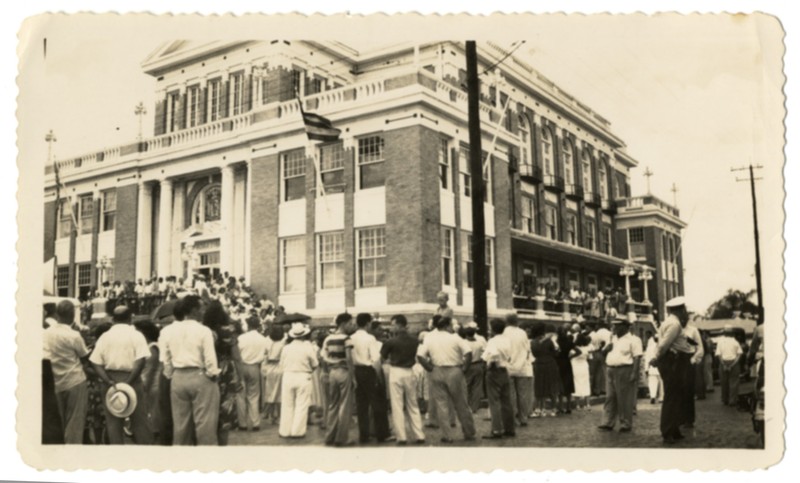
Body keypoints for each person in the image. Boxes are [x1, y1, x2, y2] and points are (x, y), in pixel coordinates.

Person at [161, 295, 221, 445]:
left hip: (178, 377)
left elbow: (165, 359)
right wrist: (212, 373)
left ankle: (181, 459)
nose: (204, 311)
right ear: (194, 310)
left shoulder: (167, 331)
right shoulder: (203, 330)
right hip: (199, 375)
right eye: (202, 308)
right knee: (205, 423)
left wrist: (170, 374)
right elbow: (210, 358)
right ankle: (206, 459)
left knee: (180, 424)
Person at [89, 306, 154, 444]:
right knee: (140, 421)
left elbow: (95, 362)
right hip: (132, 379)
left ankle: (117, 457)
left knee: (113, 422)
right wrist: (128, 382)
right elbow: (140, 361)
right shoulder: (136, 335)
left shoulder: (105, 337)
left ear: (113, 319)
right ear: (130, 318)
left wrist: (107, 380)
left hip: (110, 380)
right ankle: (147, 455)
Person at [416, 316, 476, 443]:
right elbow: (468, 353)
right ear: (448, 326)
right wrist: (464, 368)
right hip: (455, 370)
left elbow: (420, 356)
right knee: (461, 403)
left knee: (441, 404)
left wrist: (429, 368)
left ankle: (447, 435)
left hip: (436, 370)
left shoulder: (430, 338)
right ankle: (468, 432)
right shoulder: (455, 337)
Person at [43, 300, 90, 444]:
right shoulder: (74, 335)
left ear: (57, 314)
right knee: (74, 423)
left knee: (60, 422)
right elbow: (84, 358)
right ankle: (71, 456)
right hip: (75, 380)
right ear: (73, 315)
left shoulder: (46, 333)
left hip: (56, 381)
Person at [653, 296, 695, 444]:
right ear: (679, 310)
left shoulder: (668, 322)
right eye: (683, 309)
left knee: (676, 396)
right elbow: (664, 345)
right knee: (672, 397)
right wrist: (657, 357)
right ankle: (667, 431)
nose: (685, 312)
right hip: (673, 362)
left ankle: (674, 429)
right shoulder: (675, 324)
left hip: (673, 361)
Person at [380, 314, 426, 445]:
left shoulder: (390, 342)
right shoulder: (414, 340)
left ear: (399, 325)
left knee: (397, 405)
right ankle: (419, 434)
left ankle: (402, 436)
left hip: (396, 371)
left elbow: (382, 357)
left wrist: (389, 359)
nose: (391, 327)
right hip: (409, 371)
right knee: (413, 403)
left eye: (393, 324)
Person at [203, 299, 242, 445]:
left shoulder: (204, 330)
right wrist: (241, 377)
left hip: (208, 371)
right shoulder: (228, 331)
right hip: (226, 372)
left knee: (207, 411)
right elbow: (237, 356)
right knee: (226, 412)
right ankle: (222, 446)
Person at [350, 313, 392, 443]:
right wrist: (379, 377)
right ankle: (382, 434)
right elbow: (376, 359)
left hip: (357, 370)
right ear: (368, 323)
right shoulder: (369, 339)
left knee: (361, 404)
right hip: (369, 371)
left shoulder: (351, 337)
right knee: (377, 403)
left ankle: (364, 435)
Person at [598, 318, 642, 432]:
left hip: (624, 369)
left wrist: (634, 373)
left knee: (624, 398)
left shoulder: (634, 340)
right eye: (614, 326)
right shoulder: (612, 338)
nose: (614, 328)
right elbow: (603, 352)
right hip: (611, 369)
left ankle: (625, 423)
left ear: (625, 327)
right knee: (610, 397)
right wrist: (606, 349)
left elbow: (637, 357)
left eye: (617, 326)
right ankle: (608, 422)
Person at [321, 313, 356, 446]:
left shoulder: (328, 338)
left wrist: (326, 372)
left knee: (333, 405)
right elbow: (349, 358)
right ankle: (342, 438)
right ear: (344, 323)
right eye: (350, 323)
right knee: (344, 405)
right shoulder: (346, 338)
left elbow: (323, 357)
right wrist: (353, 376)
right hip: (343, 371)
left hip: (332, 372)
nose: (351, 326)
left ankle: (329, 436)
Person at [279, 323, 319, 438]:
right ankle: (297, 431)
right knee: (302, 405)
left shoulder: (286, 348)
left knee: (287, 404)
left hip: (288, 376)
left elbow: (281, 364)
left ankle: (285, 431)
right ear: (304, 335)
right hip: (303, 376)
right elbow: (315, 364)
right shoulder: (308, 348)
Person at [481, 318, 515, 439]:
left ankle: (496, 429)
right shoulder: (507, 340)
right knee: (506, 401)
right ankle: (509, 428)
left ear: (493, 329)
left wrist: (490, 364)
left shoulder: (492, 341)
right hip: (504, 369)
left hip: (495, 370)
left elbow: (493, 354)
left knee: (494, 401)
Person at [236, 316, 268, 431]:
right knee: (254, 395)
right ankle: (255, 422)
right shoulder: (262, 339)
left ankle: (242, 423)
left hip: (241, 366)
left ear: (248, 325)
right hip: (255, 367)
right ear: (258, 326)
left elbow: (236, 353)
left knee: (240, 395)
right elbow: (266, 353)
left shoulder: (241, 337)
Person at [134, 320, 162, 442]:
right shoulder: (151, 347)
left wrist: (142, 389)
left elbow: (149, 372)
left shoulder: (151, 348)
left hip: (152, 388)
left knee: (152, 421)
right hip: (153, 387)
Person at [503, 314, 533, 427]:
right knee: (522, 394)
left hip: (508, 366)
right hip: (522, 367)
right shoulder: (522, 333)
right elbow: (528, 349)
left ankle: (513, 417)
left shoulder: (504, 332)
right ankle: (523, 417)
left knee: (511, 394)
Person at [530, 323, 560, 418]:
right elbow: (555, 352)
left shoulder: (533, 342)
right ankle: (553, 408)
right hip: (550, 364)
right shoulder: (549, 341)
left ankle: (540, 408)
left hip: (538, 364)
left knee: (539, 387)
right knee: (551, 386)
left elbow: (534, 354)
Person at [262, 324, 286, 424]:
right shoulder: (283, 345)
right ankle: (278, 416)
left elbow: (264, 358)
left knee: (270, 391)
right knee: (279, 392)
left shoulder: (268, 344)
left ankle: (271, 414)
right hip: (280, 368)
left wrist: (264, 370)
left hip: (269, 368)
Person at [715, 324, 743, 407]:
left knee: (724, 382)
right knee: (734, 382)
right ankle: (732, 400)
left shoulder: (720, 342)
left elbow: (718, 355)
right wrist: (733, 364)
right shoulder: (736, 342)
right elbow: (739, 354)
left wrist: (723, 364)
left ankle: (725, 399)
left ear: (724, 333)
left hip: (723, 362)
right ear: (732, 333)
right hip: (734, 362)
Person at [462, 321, 487, 413]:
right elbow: (485, 352)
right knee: (477, 386)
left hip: (468, 365)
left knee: (466, 386)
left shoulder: (463, 343)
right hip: (478, 364)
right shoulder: (479, 343)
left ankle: (466, 405)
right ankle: (474, 407)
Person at [683, 321, 704, 426]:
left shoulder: (692, 330)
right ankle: (678, 419)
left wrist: (693, 359)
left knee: (688, 390)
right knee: (676, 392)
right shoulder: (672, 329)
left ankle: (689, 419)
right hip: (674, 361)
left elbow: (700, 348)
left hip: (688, 359)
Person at [555, 324, 575, 414]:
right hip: (567, 362)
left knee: (560, 384)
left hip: (558, 363)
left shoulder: (556, 341)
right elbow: (579, 351)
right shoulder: (569, 341)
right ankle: (568, 406)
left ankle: (560, 407)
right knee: (568, 384)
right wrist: (571, 356)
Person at [571, 332, 592, 410]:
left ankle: (577, 405)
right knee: (586, 383)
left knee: (576, 383)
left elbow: (570, 356)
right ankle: (587, 404)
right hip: (584, 365)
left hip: (575, 366)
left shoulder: (574, 348)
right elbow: (590, 358)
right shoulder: (587, 348)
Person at [645, 333, 663, 403]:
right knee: (661, 383)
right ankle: (661, 398)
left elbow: (647, 358)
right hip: (660, 368)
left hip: (652, 368)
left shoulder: (650, 348)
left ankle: (653, 396)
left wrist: (646, 368)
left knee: (652, 383)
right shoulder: (663, 347)